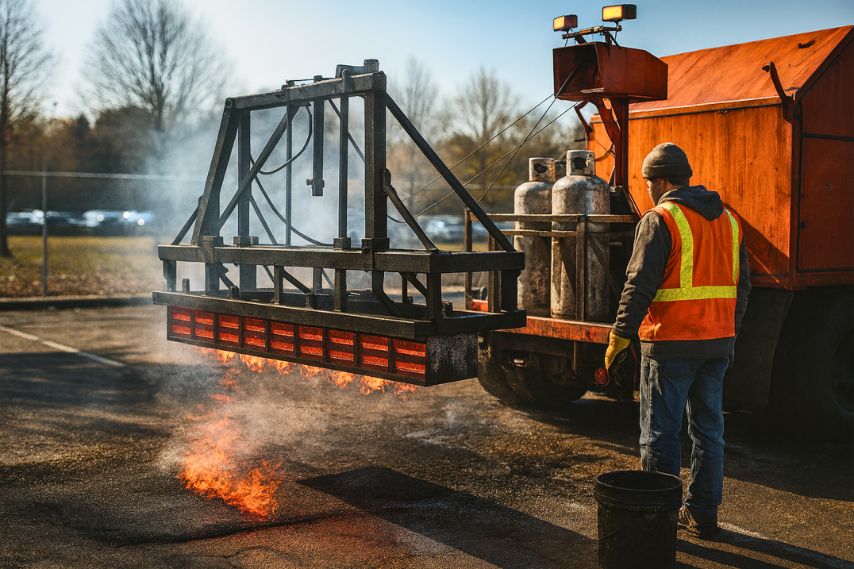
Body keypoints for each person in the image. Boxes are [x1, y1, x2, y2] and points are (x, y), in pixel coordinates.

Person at [604, 142, 751, 539]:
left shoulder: (660, 219)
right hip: (717, 344)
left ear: (663, 180)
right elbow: (743, 289)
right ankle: (703, 515)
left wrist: (620, 334)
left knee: (659, 434)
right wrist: (728, 333)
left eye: (649, 182)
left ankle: (658, 522)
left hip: (670, 345)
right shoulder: (730, 222)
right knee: (709, 431)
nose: (648, 189)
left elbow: (638, 285)